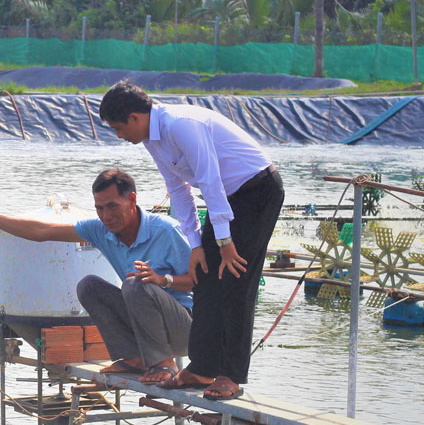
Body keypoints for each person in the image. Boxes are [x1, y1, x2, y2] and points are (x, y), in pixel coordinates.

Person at [98, 81, 285, 401]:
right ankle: (203, 366)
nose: (119, 136)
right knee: (206, 279)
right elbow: (179, 189)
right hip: (226, 199)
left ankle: (231, 375)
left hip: (256, 191)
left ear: (134, 118)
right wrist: (197, 245)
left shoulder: (181, 126)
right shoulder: (150, 138)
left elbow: (209, 178)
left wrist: (224, 242)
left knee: (236, 281)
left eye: (118, 128)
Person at [0, 168, 193, 383]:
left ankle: (164, 362)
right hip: (146, 326)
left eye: (112, 207)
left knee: (134, 284)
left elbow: (202, 282)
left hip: (186, 328)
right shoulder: (101, 230)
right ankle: (134, 357)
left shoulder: (166, 231)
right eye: (99, 208)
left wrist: (164, 280)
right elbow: (41, 231)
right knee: (89, 286)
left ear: (131, 200)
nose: (106, 216)